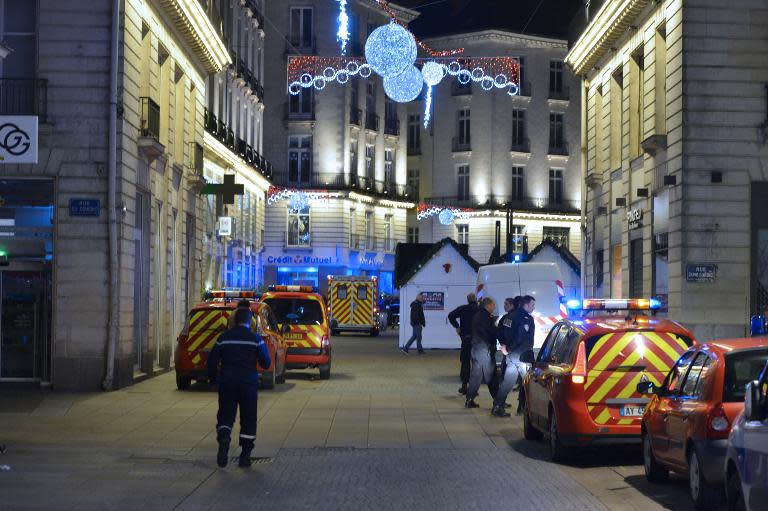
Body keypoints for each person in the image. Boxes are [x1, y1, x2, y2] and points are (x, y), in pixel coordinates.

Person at [207, 308, 271, 468]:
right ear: (250, 321)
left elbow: (211, 361)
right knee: (248, 419)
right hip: (248, 385)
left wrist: (213, 380)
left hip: (227, 383)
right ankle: (245, 456)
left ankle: (224, 439)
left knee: (225, 415)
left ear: (234, 320)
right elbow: (266, 362)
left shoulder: (223, 338)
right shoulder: (256, 339)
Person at [504, 295, 536, 415]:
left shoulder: (509, 316)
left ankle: (498, 405)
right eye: (532, 305)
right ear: (526, 305)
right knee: (527, 382)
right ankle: (522, 407)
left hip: (511, 354)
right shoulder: (526, 318)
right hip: (523, 355)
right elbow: (520, 337)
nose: (533, 307)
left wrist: (506, 347)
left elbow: (504, 332)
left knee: (508, 381)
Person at [465, 297, 499, 408]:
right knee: (491, 375)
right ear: (488, 305)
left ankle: (470, 399)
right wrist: (495, 336)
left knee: (476, 375)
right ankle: (498, 401)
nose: (494, 307)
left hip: (477, 348)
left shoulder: (479, 315)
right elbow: (488, 332)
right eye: (493, 305)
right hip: (484, 348)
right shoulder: (484, 317)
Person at [448, 293, 480, 395]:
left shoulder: (462, 308)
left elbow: (450, 315)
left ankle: (464, 386)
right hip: (477, 341)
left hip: (466, 340)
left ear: (467, 300)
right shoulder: (480, 309)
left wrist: (457, 326)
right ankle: (474, 389)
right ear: (475, 299)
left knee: (465, 363)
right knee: (476, 364)